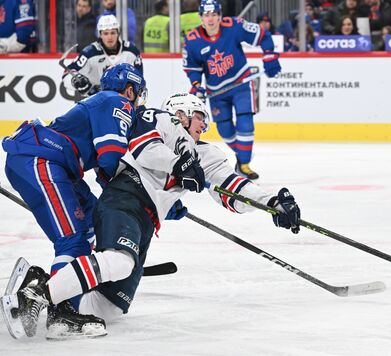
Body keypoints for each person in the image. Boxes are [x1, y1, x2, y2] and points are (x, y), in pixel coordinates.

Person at [3, 93, 301, 339]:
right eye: (199, 117)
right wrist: (178, 165)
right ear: (182, 113)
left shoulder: (207, 154)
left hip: (147, 220)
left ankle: (57, 297)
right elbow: (145, 149)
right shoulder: (161, 119)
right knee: (120, 261)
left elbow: (231, 189)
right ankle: (40, 293)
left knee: (111, 306)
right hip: (125, 197)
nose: (203, 125)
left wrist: (271, 203)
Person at [1, 63, 147, 339]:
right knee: (73, 238)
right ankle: (60, 309)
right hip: (42, 160)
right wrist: (143, 191)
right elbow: (109, 159)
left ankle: (65, 279)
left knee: (93, 220)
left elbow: (106, 171)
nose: (137, 100)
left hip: (54, 164)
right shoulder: (117, 102)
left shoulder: (102, 101)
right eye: (137, 93)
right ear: (130, 90)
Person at [183, 0, 282, 180]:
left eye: (214, 14)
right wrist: (196, 85)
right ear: (201, 18)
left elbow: (263, 35)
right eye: (206, 15)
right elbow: (192, 67)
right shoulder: (192, 40)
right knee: (225, 129)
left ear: (220, 16)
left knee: (245, 121)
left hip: (241, 83)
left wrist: (269, 56)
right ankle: (243, 153)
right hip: (216, 92)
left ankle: (243, 164)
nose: (211, 19)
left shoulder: (234, 25)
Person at [62, 15, 143, 97]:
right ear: (100, 34)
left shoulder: (132, 51)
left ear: (118, 33)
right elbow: (67, 74)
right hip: (95, 101)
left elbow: (140, 80)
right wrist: (75, 82)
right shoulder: (89, 52)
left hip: (124, 100)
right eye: (106, 33)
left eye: (113, 33)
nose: (109, 37)